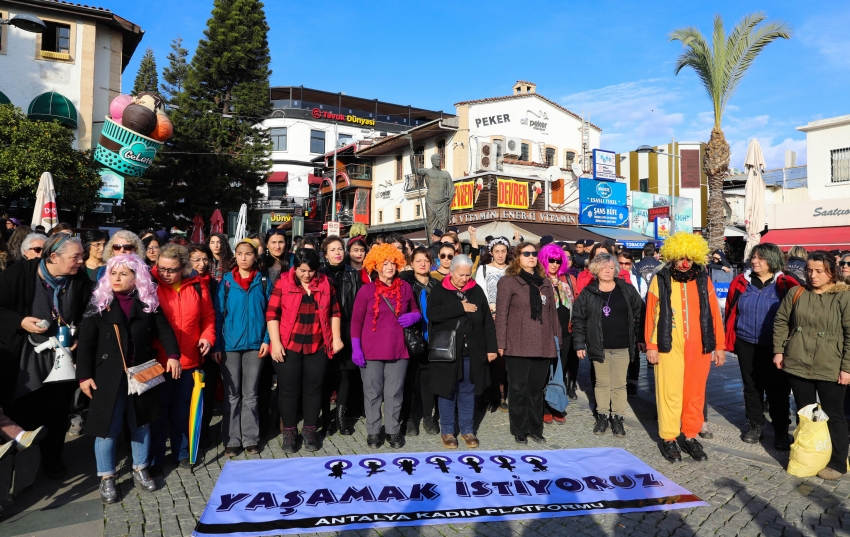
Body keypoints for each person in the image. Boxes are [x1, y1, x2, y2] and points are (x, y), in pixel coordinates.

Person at [76, 254, 179, 503]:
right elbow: (86, 343)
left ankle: (140, 468)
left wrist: (173, 355)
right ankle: (107, 477)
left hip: (140, 371)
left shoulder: (146, 301)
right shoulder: (99, 303)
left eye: (124, 274)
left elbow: (164, 330)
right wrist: (84, 376)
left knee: (141, 422)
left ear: (137, 278)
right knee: (107, 428)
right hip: (107, 375)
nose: (117, 278)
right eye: (113, 273)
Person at [0, 233, 91, 479]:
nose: (82, 261)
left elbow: (89, 313)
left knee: (58, 410)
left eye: (82, 255)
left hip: (61, 355)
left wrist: (80, 335)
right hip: (25, 354)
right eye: (76, 256)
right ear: (53, 257)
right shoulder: (18, 275)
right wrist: (20, 321)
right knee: (24, 405)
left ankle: (53, 459)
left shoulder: (79, 279)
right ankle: (23, 465)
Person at [645, 233, 726, 463]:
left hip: (699, 345)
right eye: (680, 257)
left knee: (695, 393)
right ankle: (669, 438)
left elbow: (714, 315)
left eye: (689, 258)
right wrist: (651, 345)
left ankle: (690, 436)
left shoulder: (703, 279)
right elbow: (650, 314)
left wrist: (719, 346)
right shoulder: (659, 278)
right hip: (667, 344)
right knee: (669, 392)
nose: (684, 263)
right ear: (672, 256)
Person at [773, 251, 850, 480]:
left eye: (819, 271)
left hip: (831, 365)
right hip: (798, 362)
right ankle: (809, 453)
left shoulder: (844, 296)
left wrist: (847, 367)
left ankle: (837, 462)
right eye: (809, 270)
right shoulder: (796, 292)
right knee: (805, 412)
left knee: (833, 413)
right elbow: (781, 321)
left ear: (831, 271)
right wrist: (779, 350)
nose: (812, 275)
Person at [267, 248, 344, 453]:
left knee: (314, 390)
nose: (306, 275)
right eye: (302, 270)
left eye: (311, 271)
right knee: (288, 391)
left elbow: (335, 312)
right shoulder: (283, 282)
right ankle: (290, 432)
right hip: (289, 345)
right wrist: (275, 342)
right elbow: (272, 314)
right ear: (295, 267)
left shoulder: (326, 283)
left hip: (318, 344)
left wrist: (336, 338)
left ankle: (310, 431)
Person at [724, 243, 798, 450]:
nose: (755, 261)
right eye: (753, 257)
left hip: (777, 347)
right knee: (752, 386)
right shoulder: (740, 282)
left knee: (779, 389)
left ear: (772, 260)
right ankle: (755, 424)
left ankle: (781, 429)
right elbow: (731, 310)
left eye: (760, 258)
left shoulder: (786, 283)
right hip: (746, 342)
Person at [149, 244, 216, 469]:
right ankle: (156, 457)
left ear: (183, 267)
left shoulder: (197, 285)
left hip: (189, 358)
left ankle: (181, 452)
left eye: (172, 270)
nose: (165, 274)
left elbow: (208, 316)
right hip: (159, 360)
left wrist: (207, 337)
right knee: (158, 412)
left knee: (182, 408)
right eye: (162, 268)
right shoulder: (149, 284)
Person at [350, 244, 421, 449]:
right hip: (371, 350)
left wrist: (414, 316)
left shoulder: (405, 287)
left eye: (392, 263)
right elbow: (356, 321)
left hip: (399, 349)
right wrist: (356, 347)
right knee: (372, 393)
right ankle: (373, 431)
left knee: (395, 392)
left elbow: (416, 310)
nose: (389, 267)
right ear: (376, 265)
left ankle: (392, 430)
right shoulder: (367, 290)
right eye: (384, 263)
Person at [427, 254, 496, 449]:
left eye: (468, 274)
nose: (465, 278)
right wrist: (460, 307)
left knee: (468, 391)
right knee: (447, 392)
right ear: (451, 272)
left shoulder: (476, 290)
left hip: (472, 351)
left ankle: (467, 430)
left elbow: (487, 322)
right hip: (447, 352)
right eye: (461, 275)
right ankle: (447, 431)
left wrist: (491, 347)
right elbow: (433, 314)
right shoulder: (440, 290)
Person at [572, 253, 644, 437]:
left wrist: (639, 337)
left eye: (611, 268)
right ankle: (602, 416)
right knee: (602, 383)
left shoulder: (626, 290)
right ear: (596, 270)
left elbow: (641, 313)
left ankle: (618, 418)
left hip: (623, 346)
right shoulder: (589, 293)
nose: (607, 271)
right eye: (604, 267)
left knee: (620, 384)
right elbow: (578, 319)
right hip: (599, 346)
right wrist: (579, 343)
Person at [495, 242, 560, 445]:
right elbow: (502, 314)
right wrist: (500, 342)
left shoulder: (545, 282)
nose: (531, 257)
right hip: (517, 343)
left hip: (543, 342)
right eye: (526, 254)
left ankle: (535, 428)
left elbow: (552, 314)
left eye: (534, 253)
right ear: (518, 257)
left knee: (536, 389)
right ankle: (519, 429)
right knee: (517, 389)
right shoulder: (508, 282)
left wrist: (557, 340)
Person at [212, 238, 271, 456]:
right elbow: (218, 315)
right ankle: (231, 439)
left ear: (255, 257)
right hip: (229, 346)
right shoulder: (226, 282)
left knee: (251, 394)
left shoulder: (263, 281)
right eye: (240, 254)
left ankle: (250, 437)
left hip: (256, 345)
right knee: (231, 394)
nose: (244, 258)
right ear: (234, 257)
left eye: (248, 254)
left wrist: (267, 339)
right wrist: (217, 344)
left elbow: (271, 314)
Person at [319, 236, 364, 436]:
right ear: (325, 254)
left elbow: (359, 303)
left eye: (340, 249)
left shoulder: (353, 274)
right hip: (323, 329)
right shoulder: (319, 274)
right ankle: (326, 418)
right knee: (325, 375)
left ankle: (340, 417)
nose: (338, 252)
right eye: (333, 250)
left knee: (345, 374)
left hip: (346, 328)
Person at [399, 247, 439, 435]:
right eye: (418, 260)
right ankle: (408, 419)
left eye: (426, 260)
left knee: (429, 381)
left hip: (432, 339)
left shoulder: (437, 286)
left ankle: (428, 417)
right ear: (412, 263)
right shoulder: (405, 284)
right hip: (410, 339)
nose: (422, 264)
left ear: (431, 263)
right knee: (410, 381)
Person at [188, 243, 221, 448]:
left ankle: (204, 432)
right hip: (189, 346)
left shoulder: (213, 283)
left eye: (205, 259)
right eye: (196, 259)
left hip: (209, 344)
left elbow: (214, 315)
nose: (202, 264)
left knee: (207, 393)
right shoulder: (187, 282)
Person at [539, 243, 578, 408]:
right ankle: (544, 405)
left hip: (566, 331)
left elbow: (574, 304)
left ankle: (556, 403)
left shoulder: (568, 279)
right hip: (547, 331)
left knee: (561, 369)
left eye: (557, 261)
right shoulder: (539, 281)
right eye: (551, 260)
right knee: (545, 369)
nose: (554, 264)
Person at [475, 236, 511, 411]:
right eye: (497, 251)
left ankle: (501, 393)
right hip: (488, 318)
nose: (500, 255)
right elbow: (480, 294)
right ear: (491, 253)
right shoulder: (483, 269)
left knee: (503, 358)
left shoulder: (512, 270)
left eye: (503, 251)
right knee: (489, 355)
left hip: (507, 320)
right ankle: (487, 392)